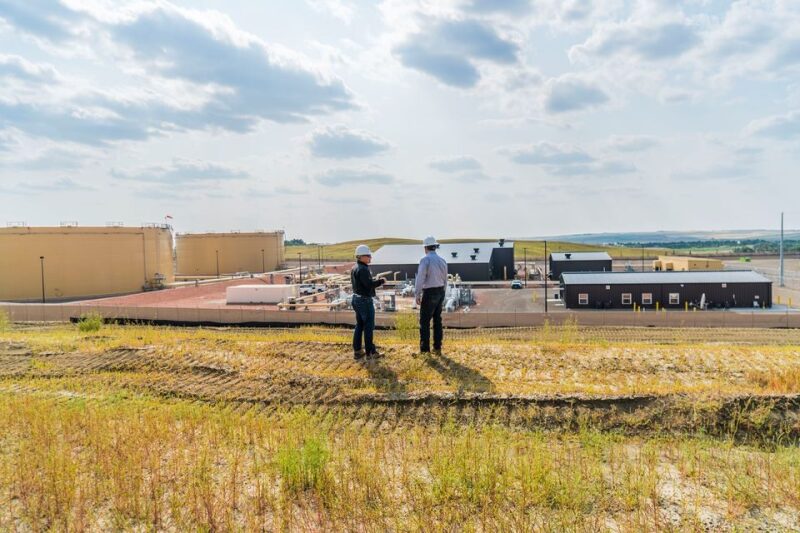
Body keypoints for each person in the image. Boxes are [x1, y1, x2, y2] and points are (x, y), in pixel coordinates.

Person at [351, 244, 386, 360]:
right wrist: (380, 281)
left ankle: (357, 351)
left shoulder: (354, 267)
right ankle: (370, 352)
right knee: (369, 326)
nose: (370, 257)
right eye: (368, 255)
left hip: (356, 299)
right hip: (364, 301)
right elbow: (369, 285)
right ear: (360, 256)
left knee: (359, 325)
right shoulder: (363, 269)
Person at [415, 236, 448, 355]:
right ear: (435, 247)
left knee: (424, 322)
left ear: (425, 247)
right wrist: (443, 292)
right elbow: (445, 280)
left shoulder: (425, 260)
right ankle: (437, 347)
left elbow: (420, 278)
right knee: (437, 321)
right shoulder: (442, 260)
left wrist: (417, 294)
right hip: (440, 291)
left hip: (429, 293)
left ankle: (424, 350)